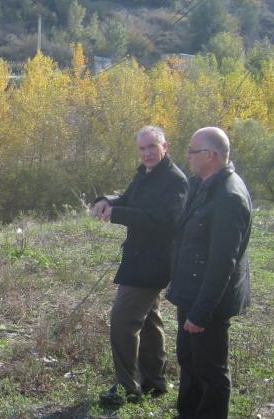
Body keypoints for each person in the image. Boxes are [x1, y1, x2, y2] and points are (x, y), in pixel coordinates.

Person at [91, 126, 188, 406]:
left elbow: (166, 220)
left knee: (122, 322)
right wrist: (107, 201)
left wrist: (118, 213)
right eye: (142, 148)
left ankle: (126, 387)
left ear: (164, 146)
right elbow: (129, 199)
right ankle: (154, 381)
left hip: (151, 264)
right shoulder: (146, 173)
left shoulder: (174, 180)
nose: (146, 153)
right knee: (148, 320)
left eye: (152, 147)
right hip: (138, 259)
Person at [166, 127, 252, 418]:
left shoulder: (229, 197)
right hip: (191, 293)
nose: (187, 156)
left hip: (208, 302)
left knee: (210, 371)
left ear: (211, 156)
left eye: (192, 151)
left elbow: (222, 262)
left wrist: (201, 312)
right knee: (189, 361)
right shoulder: (205, 184)